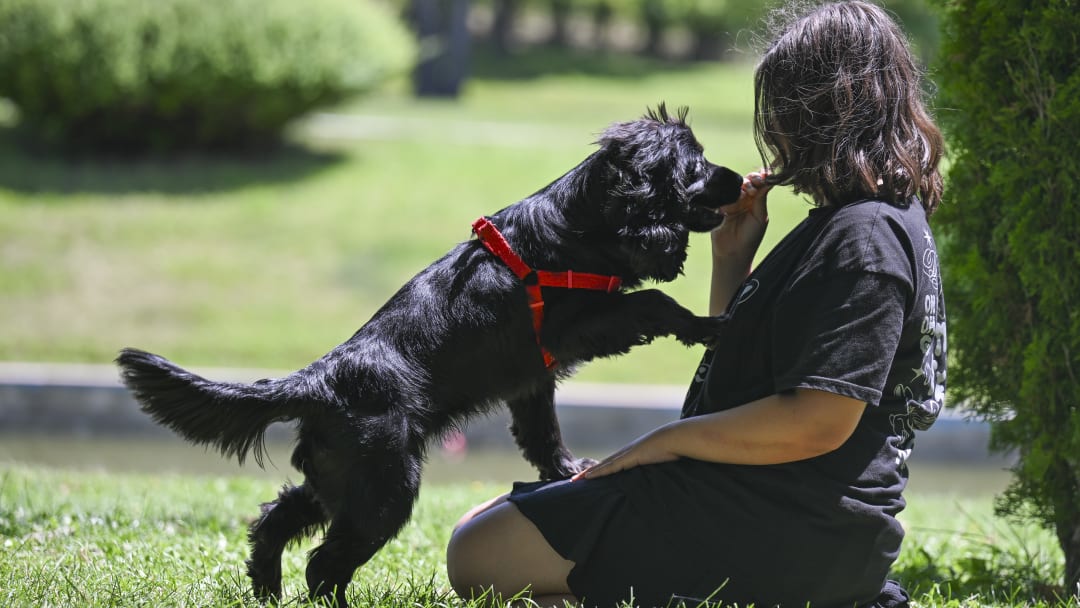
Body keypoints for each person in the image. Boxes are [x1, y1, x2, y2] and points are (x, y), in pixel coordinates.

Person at [445, 1, 946, 606]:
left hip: (788, 526)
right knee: (487, 520)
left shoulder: (864, 239)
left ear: (824, 111)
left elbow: (818, 421)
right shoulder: (866, 223)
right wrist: (732, 258)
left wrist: (659, 445)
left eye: (784, 108)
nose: (776, 130)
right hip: (768, 505)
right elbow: (757, 375)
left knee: (476, 555)